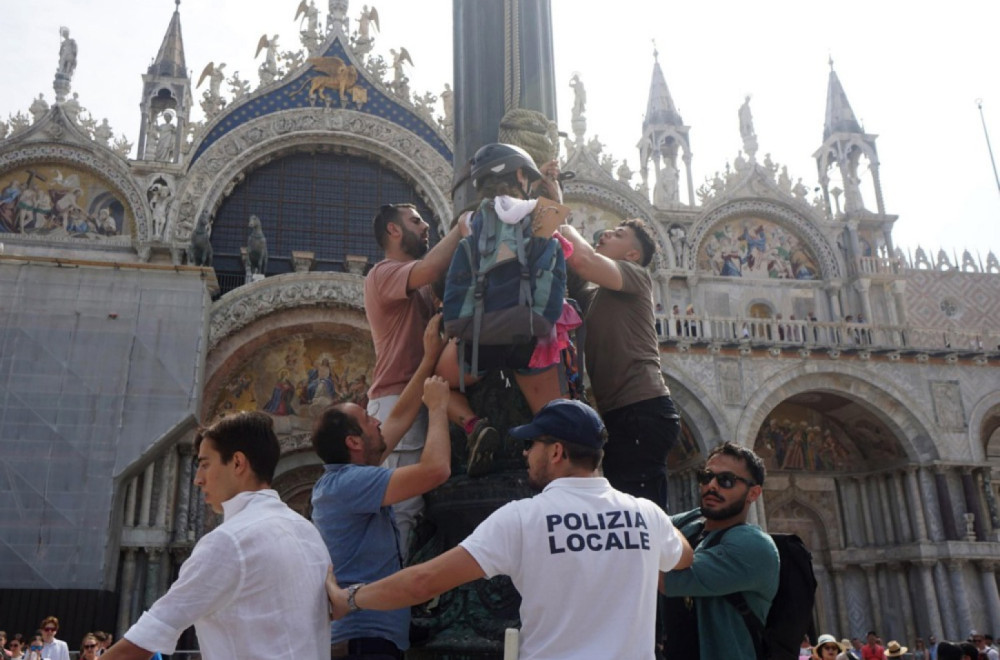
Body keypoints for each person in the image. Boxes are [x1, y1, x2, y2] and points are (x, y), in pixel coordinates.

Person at [326, 399, 694, 660]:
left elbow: (425, 581)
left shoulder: (523, 518)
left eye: (531, 443)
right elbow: (683, 556)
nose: (524, 454)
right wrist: (651, 526)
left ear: (556, 452)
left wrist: (351, 599)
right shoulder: (646, 515)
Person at [102, 412, 330, 660]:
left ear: (237, 463)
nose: (198, 479)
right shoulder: (309, 533)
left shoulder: (230, 541)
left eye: (205, 464)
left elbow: (144, 640)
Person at [310, 316, 450, 660]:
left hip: (369, 638)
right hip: (364, 641)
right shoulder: (350, 483)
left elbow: (400, 417)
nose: (376, 420)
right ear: (353, 442)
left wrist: (428, 359)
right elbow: (436, 469)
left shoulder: (348, 476)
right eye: (367, 419)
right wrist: (438, 408)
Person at [364, 202, 466, 557]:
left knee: (420, 507)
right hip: (397, 400)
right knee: (403, 510)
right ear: (394, 231)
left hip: (424, 395)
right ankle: (395, 600)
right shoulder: (385, 272)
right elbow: (431, 266)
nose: (426, 227)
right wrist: (462, 227)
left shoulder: (420, 286)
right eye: (416, 220)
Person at [558, 218, 680, 510]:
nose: (606, 233)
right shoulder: (596, 296)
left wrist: (561, 223)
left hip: (643, 409)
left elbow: (585, 261)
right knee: (624, 509)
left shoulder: (637, 276)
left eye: (618, 234)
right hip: (621, 414)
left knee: (638, 514)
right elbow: (573, 266)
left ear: (632, 255)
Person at [661, 442, 779, 660]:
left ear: (753, 493)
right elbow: (640, 530)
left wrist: (657, 527)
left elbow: (666, 579)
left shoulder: (754, 547)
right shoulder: (692, 521)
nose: (711, 486)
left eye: (726, 480)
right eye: (706, 477)